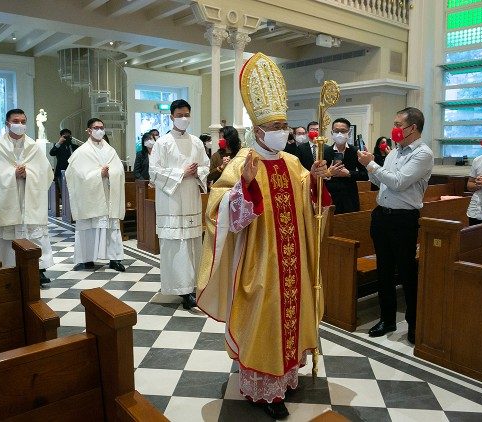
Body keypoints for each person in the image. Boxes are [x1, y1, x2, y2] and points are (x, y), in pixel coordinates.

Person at [197, 52, 330, 420]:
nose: (283, 132)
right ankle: (262, 389)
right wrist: (246, 189)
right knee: (263, 320)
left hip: (293, 260)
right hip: (259, 263)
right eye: (276, 126)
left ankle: (283, 378)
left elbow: (308, 204)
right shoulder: (242, 163)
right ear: (257, 131)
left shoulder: (292, 163)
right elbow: (219, 211)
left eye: (286, 126)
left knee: (289, 316)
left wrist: (317, 181)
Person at [357, 107, 434, 344]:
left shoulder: (423, 154)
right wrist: (369, 166)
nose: (395, 129)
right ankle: (387, 318)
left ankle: (413, 323)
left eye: (399, 124)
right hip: (382, 216)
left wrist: (372, 165)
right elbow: (378, 180)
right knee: (384, 271)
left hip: (404, 219)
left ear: (413, 127)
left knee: (407, 272)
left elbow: (399, 183)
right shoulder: (394, 153)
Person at [0, 108, 55, 285]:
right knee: (8, 235)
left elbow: (46, 173)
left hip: (28, 198)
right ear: (7, 124)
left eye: (23, 122)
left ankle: (37, 269)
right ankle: (9, 269)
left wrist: (29, 174)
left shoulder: (33, 147)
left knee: (33, 234)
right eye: (16, 121)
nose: (20, 125)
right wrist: (11, 174)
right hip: (7, 201)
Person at [149, 99, 209, 309]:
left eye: (187, 115)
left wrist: (197, 172)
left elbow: (205, 166)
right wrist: (180, 173)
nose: (184, 118)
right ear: (171, 117)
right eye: (180, 115)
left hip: (191, 199)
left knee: (192, 245)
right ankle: (180, 290)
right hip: (171, 202)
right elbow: (153, 172)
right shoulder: (162, 143)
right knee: (176, 247)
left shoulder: (197, 142)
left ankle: (193, 287)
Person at [65, 118, 126, 272]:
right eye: (96, 127)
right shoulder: (82, 152)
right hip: (90, 198)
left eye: (101, 127)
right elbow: (75, 175)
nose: (99, 130)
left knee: (111, 228)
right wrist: (98, 173)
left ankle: (115, 259)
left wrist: (110, 173)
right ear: (89, 130)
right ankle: (86, 259)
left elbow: (119, 170)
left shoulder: (110, 151)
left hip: (108, 195)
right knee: (88, 228)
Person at [325, 117, 369, 214]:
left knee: (349, 226)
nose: (339, 134)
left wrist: (349, 173)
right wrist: (329, 173)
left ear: (349, 133)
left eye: (343, 131)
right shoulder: (325, 152)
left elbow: (365, 175)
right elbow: (319, 176)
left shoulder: (355, 151)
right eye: (336, 131)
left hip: (350, 198)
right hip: (330, 197)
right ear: (332, 133)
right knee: (330, 227)